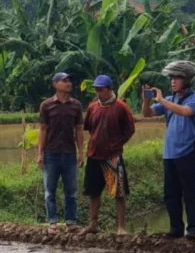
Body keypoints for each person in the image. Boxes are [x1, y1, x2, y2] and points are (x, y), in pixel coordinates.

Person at [143, 61, 195, 240]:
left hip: (188, 152)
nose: (172, 81)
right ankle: (176, 228)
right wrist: (147, 100)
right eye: (171, 78)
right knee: (171, 194)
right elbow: (148, 114)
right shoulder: (170, 100)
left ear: (187, 80)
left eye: (177, 78)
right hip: (169, 153)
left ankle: (193, 229)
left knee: (190, 192)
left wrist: (161, 100)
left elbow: (185, 112)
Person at [81, 75, 136, 235]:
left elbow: (130, 129)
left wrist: (118, 144)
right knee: (93, 192)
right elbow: (90, 129)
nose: (98, 93)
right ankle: (93, 224)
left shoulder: (121, 107)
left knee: (118, 192)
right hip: (94, 155)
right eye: (96, 90)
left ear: (110, 89)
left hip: (113, 156)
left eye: (101, 90)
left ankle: (121, 227)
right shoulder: (92, 108)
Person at [37, 72, 85, 232]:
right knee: (49, 190)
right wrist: (39, 153)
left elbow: (79, 130)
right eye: (64, 81)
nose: (68, 83)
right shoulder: (46, 105)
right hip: (51, 154)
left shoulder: (76, 105)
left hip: (69, 154)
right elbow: (43, 130)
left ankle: (71, 222)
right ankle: (52, 222)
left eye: (69, 80)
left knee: (71, 191)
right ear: (55, 84)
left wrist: (81, 152)